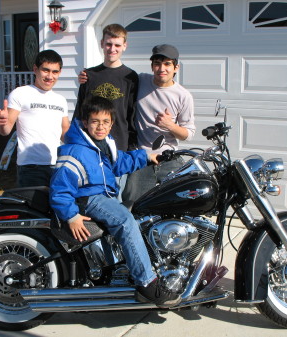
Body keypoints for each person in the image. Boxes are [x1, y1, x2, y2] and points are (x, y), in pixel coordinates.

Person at [50, 96, 180, 307]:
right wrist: (71, 215)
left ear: (111, 123)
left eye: (105, 122)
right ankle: (146, 282)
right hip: (88, 197)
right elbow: (60, 188)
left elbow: (119, 163)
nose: (100, 126)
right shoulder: (75, 150)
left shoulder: (102, 144)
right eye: (95, 121)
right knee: (125, 221)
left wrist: (147, 156)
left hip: (103, 196)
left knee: (141, 214)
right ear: (85, 122)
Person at [122, 44, 196, 205]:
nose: (161, 68)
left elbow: (188, 134)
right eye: (157, 63)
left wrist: (170, 125)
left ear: (176, 67)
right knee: (131, 205)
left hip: (169, 159)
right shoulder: (140, 81)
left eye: (167, 64)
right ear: (152, 66)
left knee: (180, 203)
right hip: (142, 157)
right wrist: (88, 77)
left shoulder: (183, 96)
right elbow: (114, 75)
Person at [0, 50, 70, 187]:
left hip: (57, 165)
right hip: (31, 167)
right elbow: (5, 130)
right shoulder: (20, 93)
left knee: (55, 207)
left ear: (59, 72)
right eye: (46, 70)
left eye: (55, 72)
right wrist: (2, 123)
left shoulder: (60, 100)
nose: (50, 76)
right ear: (35, 69)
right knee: (33, 208)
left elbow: (65, 132)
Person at [74, 23, 138, 152]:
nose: (112, 49)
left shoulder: (130, 77)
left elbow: (132, 114)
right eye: (108, 44)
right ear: (102, 43)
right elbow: (79, 111)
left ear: (124, 46)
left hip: (119, 144)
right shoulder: (89, 75)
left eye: (117, 45)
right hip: (89, 144)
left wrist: (131, 146)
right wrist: (74, 138)